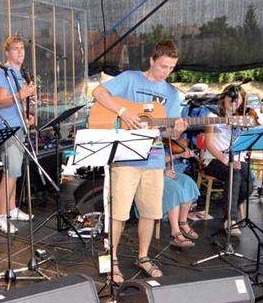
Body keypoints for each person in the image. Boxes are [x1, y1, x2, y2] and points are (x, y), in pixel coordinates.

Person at [92, 39, 187, 281]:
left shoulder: (171, 93)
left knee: (150, 212)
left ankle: (143, 256)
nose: (166, 72)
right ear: (152, 60)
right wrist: (123, 112)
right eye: (163, 66)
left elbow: (168, 132)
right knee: (119, 213)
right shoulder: (130, 78)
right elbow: (98, 92)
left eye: (171, 68)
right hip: (125, 158)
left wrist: (176, 131)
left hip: (154, 160)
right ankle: (111, 258)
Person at [0, 35, 36, 234]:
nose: (20, 52)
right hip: (7, 128)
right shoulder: (2, 73)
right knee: (10, 172)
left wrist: (28, 116)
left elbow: (18, 103)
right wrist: (22, 95)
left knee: (15, 171)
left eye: (22, 48)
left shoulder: (19, 74)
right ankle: (1, 216)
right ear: (7, 52)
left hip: (18, 126)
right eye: (16, 49)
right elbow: (1, 101)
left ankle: (12, 208)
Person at [203, 84, 254, 235]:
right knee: (234, 173)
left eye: (238, 98)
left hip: (238, 159)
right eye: (231, 98)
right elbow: (209, 144)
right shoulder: (212, 117)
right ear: (223, 98)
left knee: (249, 182)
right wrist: (225, 160)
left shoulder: (243, 119)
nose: (234, 101)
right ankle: (231, 219)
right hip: (214, 159)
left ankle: (227, 205)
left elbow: (257, 127)